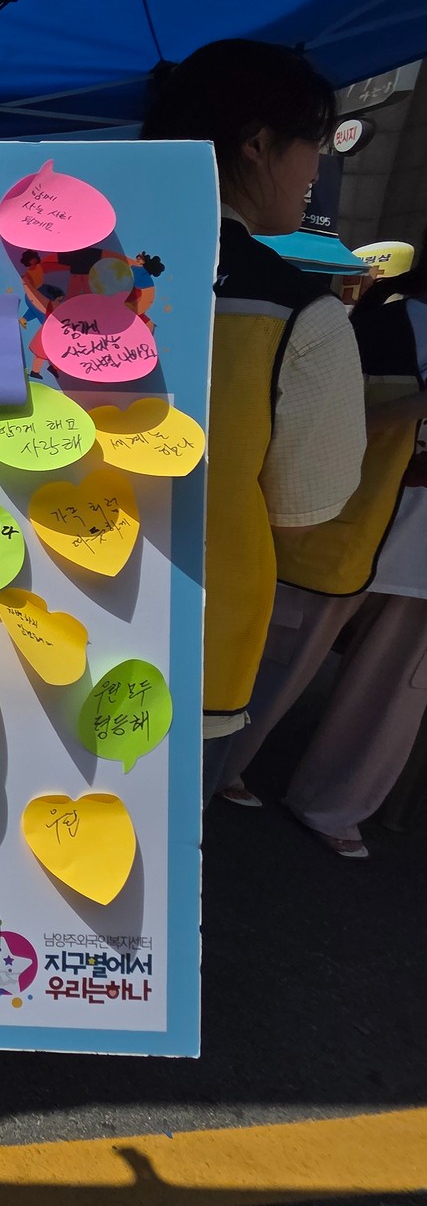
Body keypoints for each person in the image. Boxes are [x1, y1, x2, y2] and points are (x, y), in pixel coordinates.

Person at [139, 40, 367, 801]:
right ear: (259, 145)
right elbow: (302, 511)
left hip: (27, 611)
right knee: (147, 857)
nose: (314, 172)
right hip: (192, 641)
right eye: (313, 145)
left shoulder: (57, 271)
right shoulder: (299, 313)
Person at [213, 254, 427, 856]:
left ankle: (335, 803)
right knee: (277, 660)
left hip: (409, 547)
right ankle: (223, 765)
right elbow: (329, 424)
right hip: (342, 525)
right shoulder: (381, 324)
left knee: (398, 685)